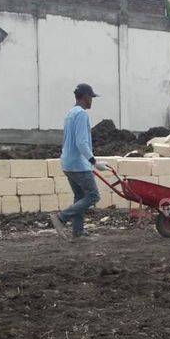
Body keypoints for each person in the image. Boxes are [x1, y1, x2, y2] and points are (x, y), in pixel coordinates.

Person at [50, 83, 108, 240]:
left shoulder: (70, 113)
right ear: (85, 97)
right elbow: (81, 142)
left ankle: (78, 232)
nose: (92, 101)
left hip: (67, 163)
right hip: (78, 164)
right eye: (91, 98)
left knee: (79, 196)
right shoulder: (81, 114)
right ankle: (61, 217)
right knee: (93, 196)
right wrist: (94, 162)